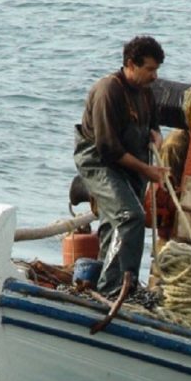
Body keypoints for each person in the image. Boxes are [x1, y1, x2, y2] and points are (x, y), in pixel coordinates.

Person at [74, 35, 169, 295]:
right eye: (149, 69)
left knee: (113, 224)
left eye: (157, 69)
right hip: (100, 163)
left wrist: (157, 136)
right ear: (130, 64)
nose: (155, 76)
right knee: (131, 217)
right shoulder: (108, 91)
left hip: (131, 164)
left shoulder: (145, 93)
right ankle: (115, 288)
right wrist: (147, 170)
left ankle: (104, 284)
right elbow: (108, 149)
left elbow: (152, 125)